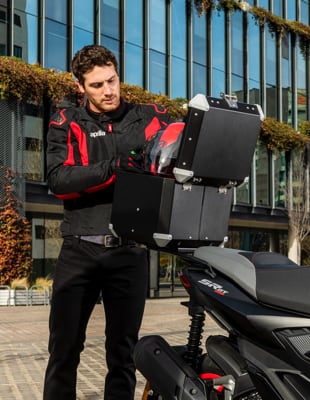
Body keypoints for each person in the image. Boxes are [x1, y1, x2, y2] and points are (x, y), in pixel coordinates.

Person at [43, 44, 171, 400]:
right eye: (97, 85)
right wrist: (114, 169)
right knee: (64, 350)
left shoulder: (150, 118)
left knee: (123, 354)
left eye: (112, 80)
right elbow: (58, 180)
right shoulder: (67, 121)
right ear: (80, 86)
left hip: (129, 252)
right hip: (79, 250)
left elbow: (177, 156)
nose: (108, 90)